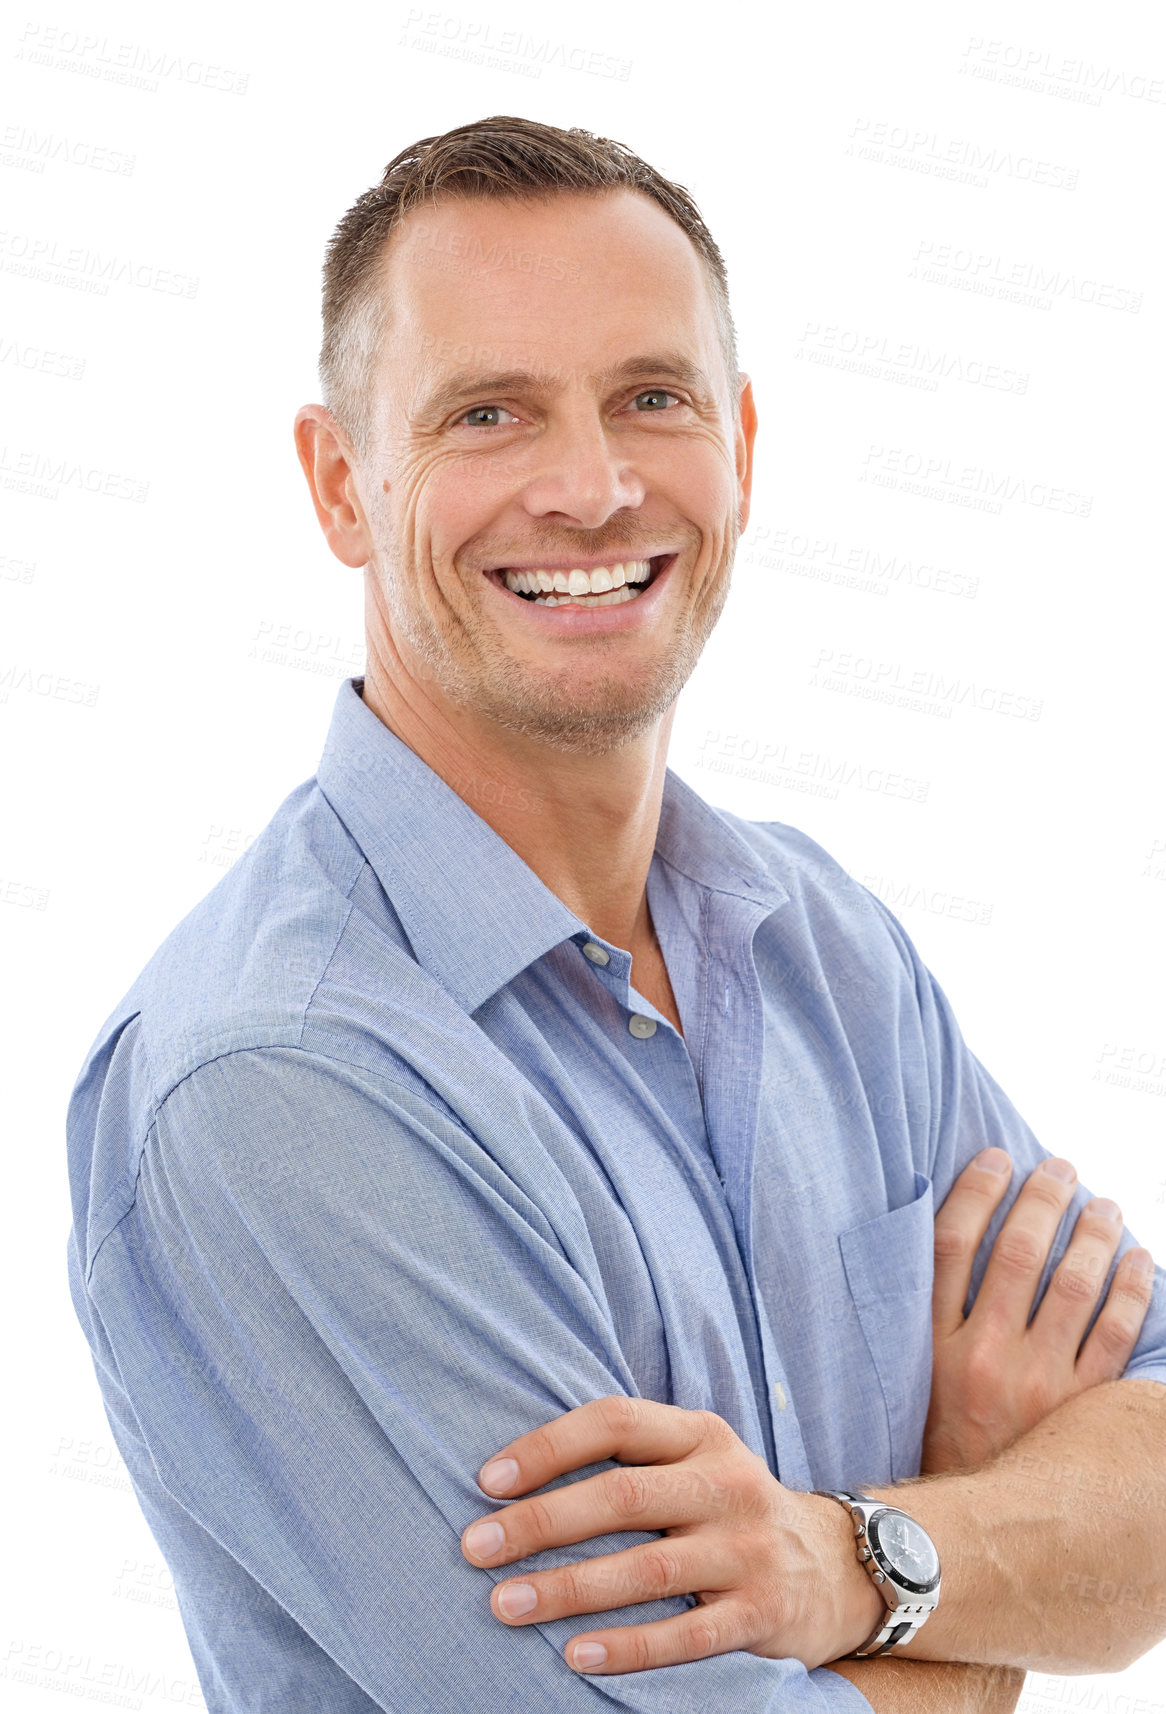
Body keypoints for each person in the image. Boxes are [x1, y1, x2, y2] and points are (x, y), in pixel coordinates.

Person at [66, 117, 1166, 1713]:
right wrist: (987, 1566)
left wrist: (848, 1556)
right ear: (339, 484)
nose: (589, 488)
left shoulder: (829, 950)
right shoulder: (274, 1084)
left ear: (741, 445)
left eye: (650, 399)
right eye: (487, 413)